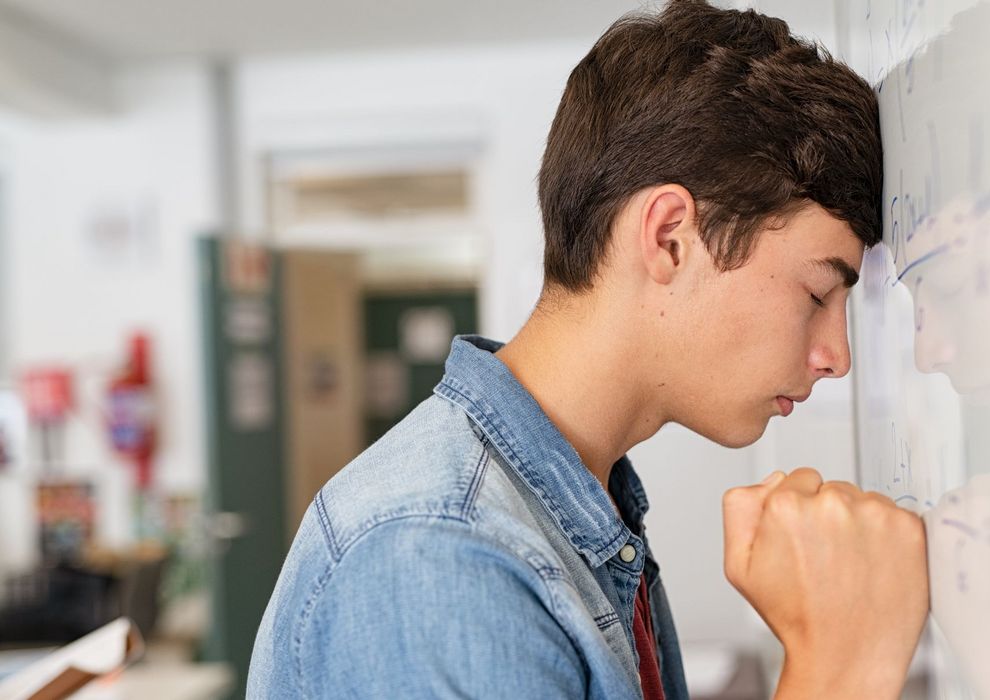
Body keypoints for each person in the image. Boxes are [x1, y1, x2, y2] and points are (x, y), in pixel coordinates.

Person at [247, 1, 929, 698]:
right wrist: (839, 669)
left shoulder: (578, 507)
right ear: (670, 237)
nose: (837, 356)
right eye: (819, 294)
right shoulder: (442, 555)